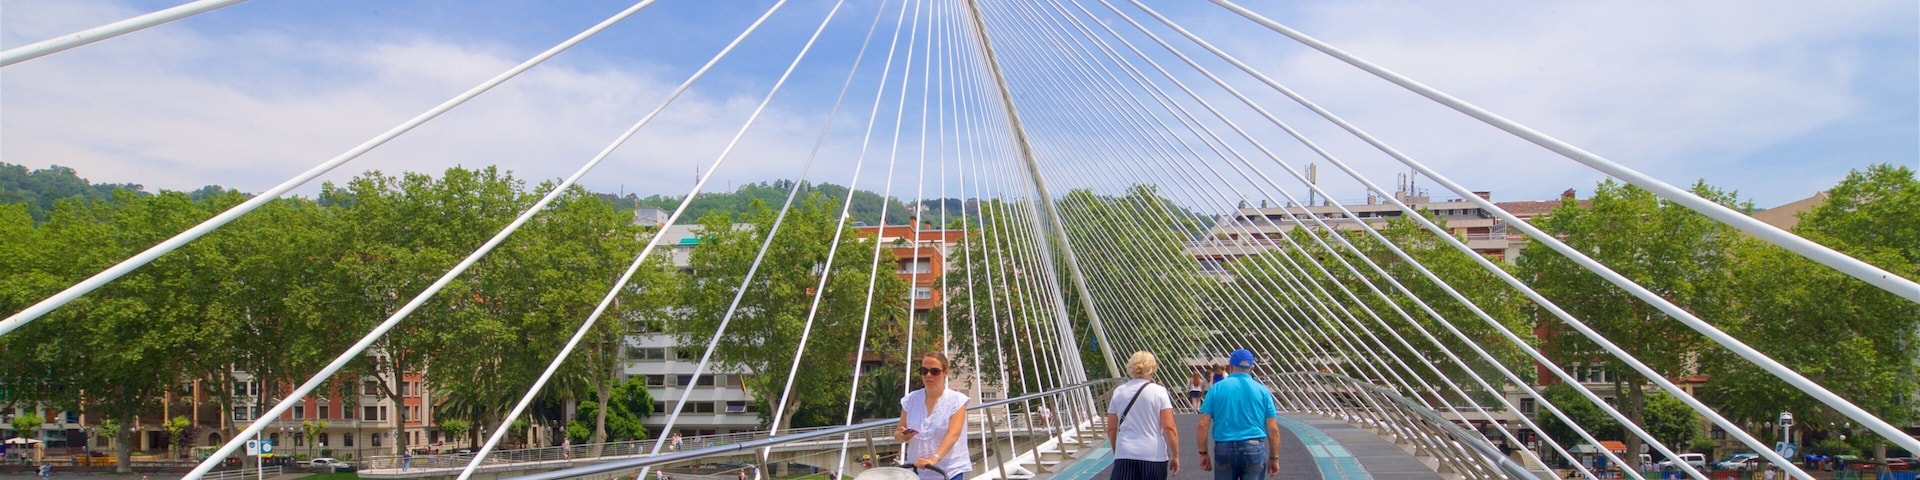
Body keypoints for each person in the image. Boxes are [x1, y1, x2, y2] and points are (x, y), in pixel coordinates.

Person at [1197, 349, 1281, 480]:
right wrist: (1274, 458)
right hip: (1254, 447)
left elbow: (1203, 424)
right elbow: (1273, 429)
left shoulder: (1216, 389)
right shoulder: (1263, 391)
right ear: (1252, 367)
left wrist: (1203, 453)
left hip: (1224, 446)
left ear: (1230, 366)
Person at [1105, 351, 1180, 480]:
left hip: (1125, 453)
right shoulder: (1159, 392)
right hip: (1153, 455)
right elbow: (1169, 427)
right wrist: (1175, 455)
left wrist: (1117, 450)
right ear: (1153, 368)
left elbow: (1111, 429)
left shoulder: (1119, 392)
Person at [897, 351, 972, 480]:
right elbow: (898, 434)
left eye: (935, 371)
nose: (928, 375)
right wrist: (903, 435)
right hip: (916, 471)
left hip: (949, 471)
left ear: (945, 373)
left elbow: (953, 434)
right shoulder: (911, 400)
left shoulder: (957, 401)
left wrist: (934, 458)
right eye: (924, 371)